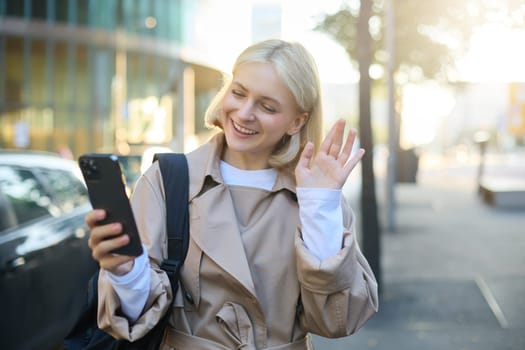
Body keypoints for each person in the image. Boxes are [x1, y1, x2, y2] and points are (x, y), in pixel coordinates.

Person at [86, 38, 378, 349]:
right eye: (238, 93)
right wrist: (125, 271)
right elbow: (136, 317)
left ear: (297, 121)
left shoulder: (315, 195)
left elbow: (340, 319)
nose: (244, 113)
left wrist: (319, 207)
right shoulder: (167, 180)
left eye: (267, 106)